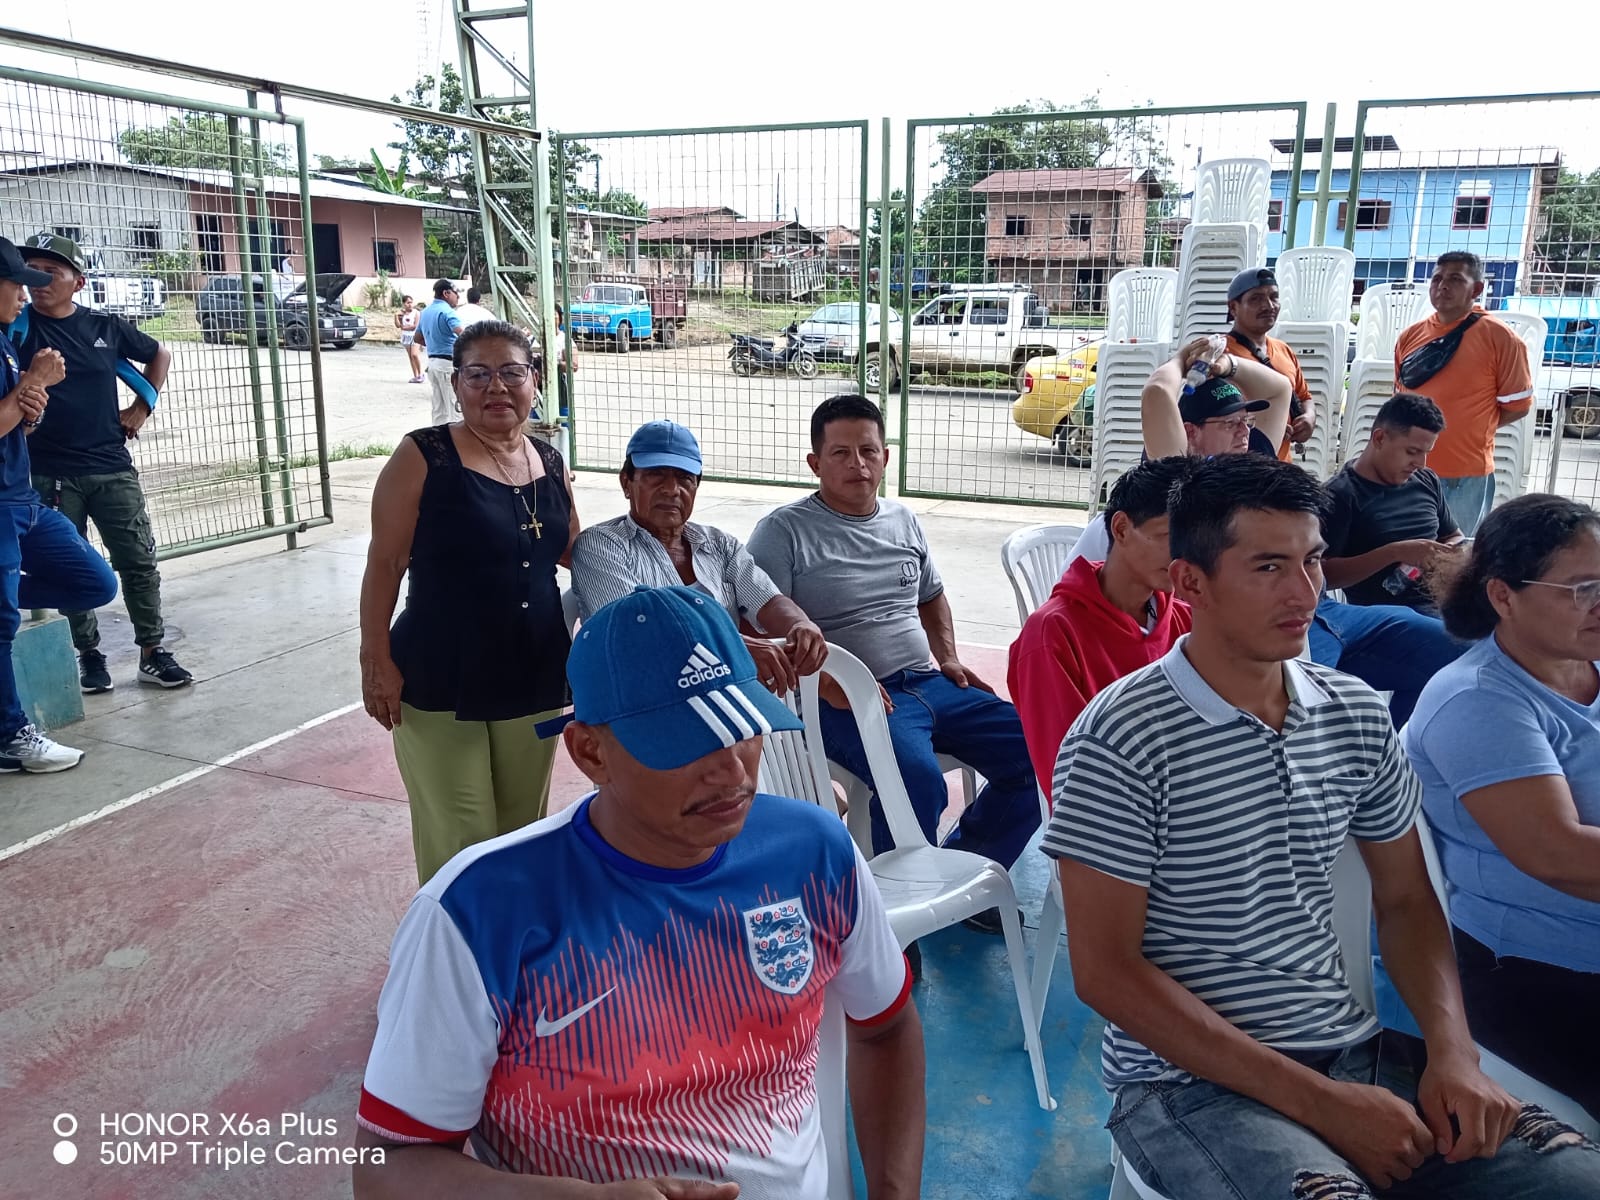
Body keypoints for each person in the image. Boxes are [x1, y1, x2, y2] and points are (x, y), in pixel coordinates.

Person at [1044, 453, 1600, 1200]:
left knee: (1575, 1180)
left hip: (1354, 1052)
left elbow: (1408, 902)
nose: (1305, 592)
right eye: (1268, 567)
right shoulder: (1120, 736)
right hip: (1187, 1084)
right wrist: (1324, 1107)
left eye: (1311, 561)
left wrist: (1453, 1054)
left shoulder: (1356, 713)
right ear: (1190, 582)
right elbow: (1106, 972)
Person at [351, 585, 925, 1199]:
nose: (732, 769)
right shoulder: (477, 913)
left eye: (742, 726)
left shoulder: (815, 852)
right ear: (590, 752)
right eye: (684, 742)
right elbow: (388, 1166)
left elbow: (884, 1027)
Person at [748, 395, 1038, 875]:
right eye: (841, 453)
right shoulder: (783, 532)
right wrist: (825, 683)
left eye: (868, 450)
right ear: (815, 463)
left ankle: (966, 870)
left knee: (1038, 751)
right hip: (842, 700)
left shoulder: (902, 520)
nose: (857, 464)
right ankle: (899, 905)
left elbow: (932, 596)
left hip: (928, 682)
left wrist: (948, 657)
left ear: (885, 457)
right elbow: (754, 625)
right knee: (915, 780)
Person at [359, 320, 580, 884]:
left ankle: (512, 933)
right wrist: (375, 658)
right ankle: (452, 939)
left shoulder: (550, 461)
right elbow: (385, 564)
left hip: (534, 670)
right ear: (456, 384)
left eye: (511, 373)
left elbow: (575, 551)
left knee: (522, 827)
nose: (496, 387)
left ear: (535, 381)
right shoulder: (423, 455)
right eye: (478, 374)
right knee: (461, 835)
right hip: (439, 674)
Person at [1403, 494, 1600, 1120]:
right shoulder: (1478, 699)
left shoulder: (1587, 665)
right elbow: (1558, 855)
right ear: (1503, 596)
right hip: (1542, 976)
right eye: (1584, 589)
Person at [11, 232, 191, 693]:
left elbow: (160, 353)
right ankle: (89, 653)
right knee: (71, 568)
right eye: (31, 272)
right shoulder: (17, 328)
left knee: (138, 560)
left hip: (110, 466)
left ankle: (152, 652)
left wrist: (142, 407)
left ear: (78, 282)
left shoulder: (104, 327)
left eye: (51, 272)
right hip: (49, 472)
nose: (38, 281)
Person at [571, 419, 827, 695]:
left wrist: (800, 624)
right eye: (656, 474)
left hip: (726, 695)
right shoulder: (601, 545)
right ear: (626, 483)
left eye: (684, 478)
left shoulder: (720, 545)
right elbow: (636, 628)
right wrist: (733, 647)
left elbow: (769, 601)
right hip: (644, 699)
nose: (672, 489)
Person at [1008, 456, 1194, 797]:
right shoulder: (1052, 635)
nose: (1186, 556)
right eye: (1171, 536)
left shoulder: (1189, 621)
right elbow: (1067, 775)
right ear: (1121, 529)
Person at [0, 238, 118, 771]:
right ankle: (11, 735)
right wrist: (32, 382)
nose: (26, 296)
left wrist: (32, 407)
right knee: (3, 624)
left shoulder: (4, 342)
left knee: (94, 582)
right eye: (17, 284)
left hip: (22, 499)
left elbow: (15, 423)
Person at [1394, 252, 1533, 536]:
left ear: (1477, 289)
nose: (1443, 285)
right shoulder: (1409, 337)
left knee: (1455, 553)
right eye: (1437, 279)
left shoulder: (1501, 338)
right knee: (1405, 552)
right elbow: (1398, 400)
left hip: (1465, 474)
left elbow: (1518, 406)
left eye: (1456, 279)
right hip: (1409, 470)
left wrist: (1469, 427)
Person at [1324, 393, 1464, 614]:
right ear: (1379, 438)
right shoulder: (1340, 494)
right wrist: (1394, 553)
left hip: (1442, 602)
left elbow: (1454, 536)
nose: (1420, 463)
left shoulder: (1426, 479)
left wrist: (1443, 554)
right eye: (1412, 452)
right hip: (1384, 615)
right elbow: (1323, 575)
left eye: (1426, 453)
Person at [1224, 266, 1316, 461]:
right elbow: (1209, 417)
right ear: (1233, 308)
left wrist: (1308, 418)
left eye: (1274, 297)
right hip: (1240, 468)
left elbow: (1304, 397)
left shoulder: (1284, 350)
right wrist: (1265, 428)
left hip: (1281, 467)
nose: (1268, 306)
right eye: (1255, 299)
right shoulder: (1220, 354)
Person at [414, 278, 462, 427]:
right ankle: (458, 439)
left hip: (433, 363)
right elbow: (463, 334)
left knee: (439, 408)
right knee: (455, 406)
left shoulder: (425, 312)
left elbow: (417, 338)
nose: (458, 297)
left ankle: (438, 437)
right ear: (446, 293)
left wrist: (434, 342)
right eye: (456, 293)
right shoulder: (447, 312)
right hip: (448, 364)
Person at [394, 295, 422, 384]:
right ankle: (415, 375)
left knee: (414, 354)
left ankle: (421, 374)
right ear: (404, 304)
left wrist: (404, 327)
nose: (410, 304)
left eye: (411, 302)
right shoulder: (402, 314)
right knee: (410, 356)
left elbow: (415, 326)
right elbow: (398, 325)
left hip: (415, 336)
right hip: (406, 337)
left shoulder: (416, 313)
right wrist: (396, 316)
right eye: (408, 303)